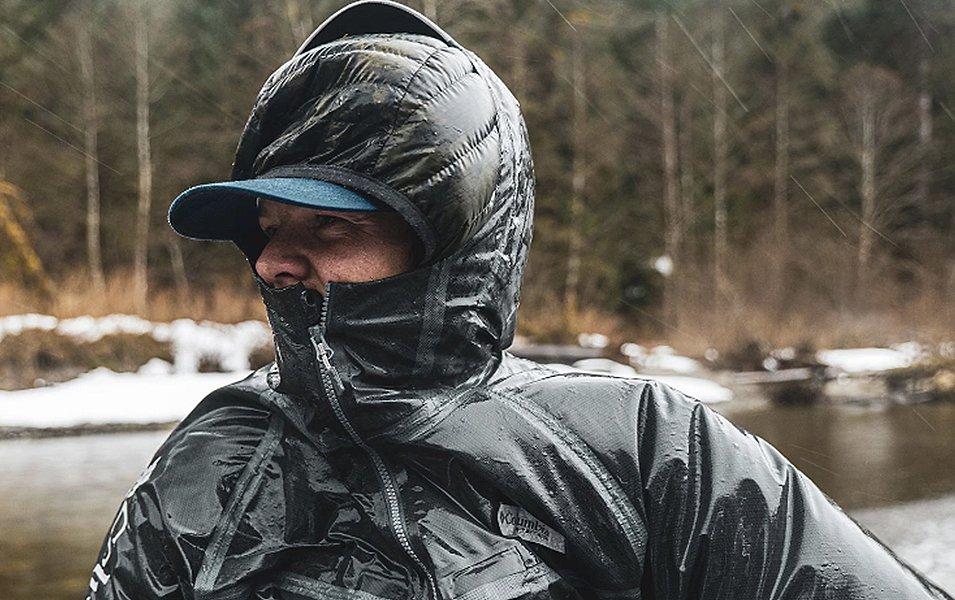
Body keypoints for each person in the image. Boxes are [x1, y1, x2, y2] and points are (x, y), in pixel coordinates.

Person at [87, 2, 951, 599]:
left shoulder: (646, 451)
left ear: (447, 242)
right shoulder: (211, 453)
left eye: (326, 226)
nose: (276, 261)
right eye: (268, 229)